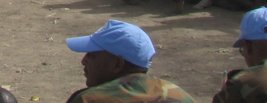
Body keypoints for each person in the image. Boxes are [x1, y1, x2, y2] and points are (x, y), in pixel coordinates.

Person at [64, 19, 194, 102]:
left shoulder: (89, 99)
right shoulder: (181, 96)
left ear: (117, 64)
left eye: (92, 55)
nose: (84, 61)